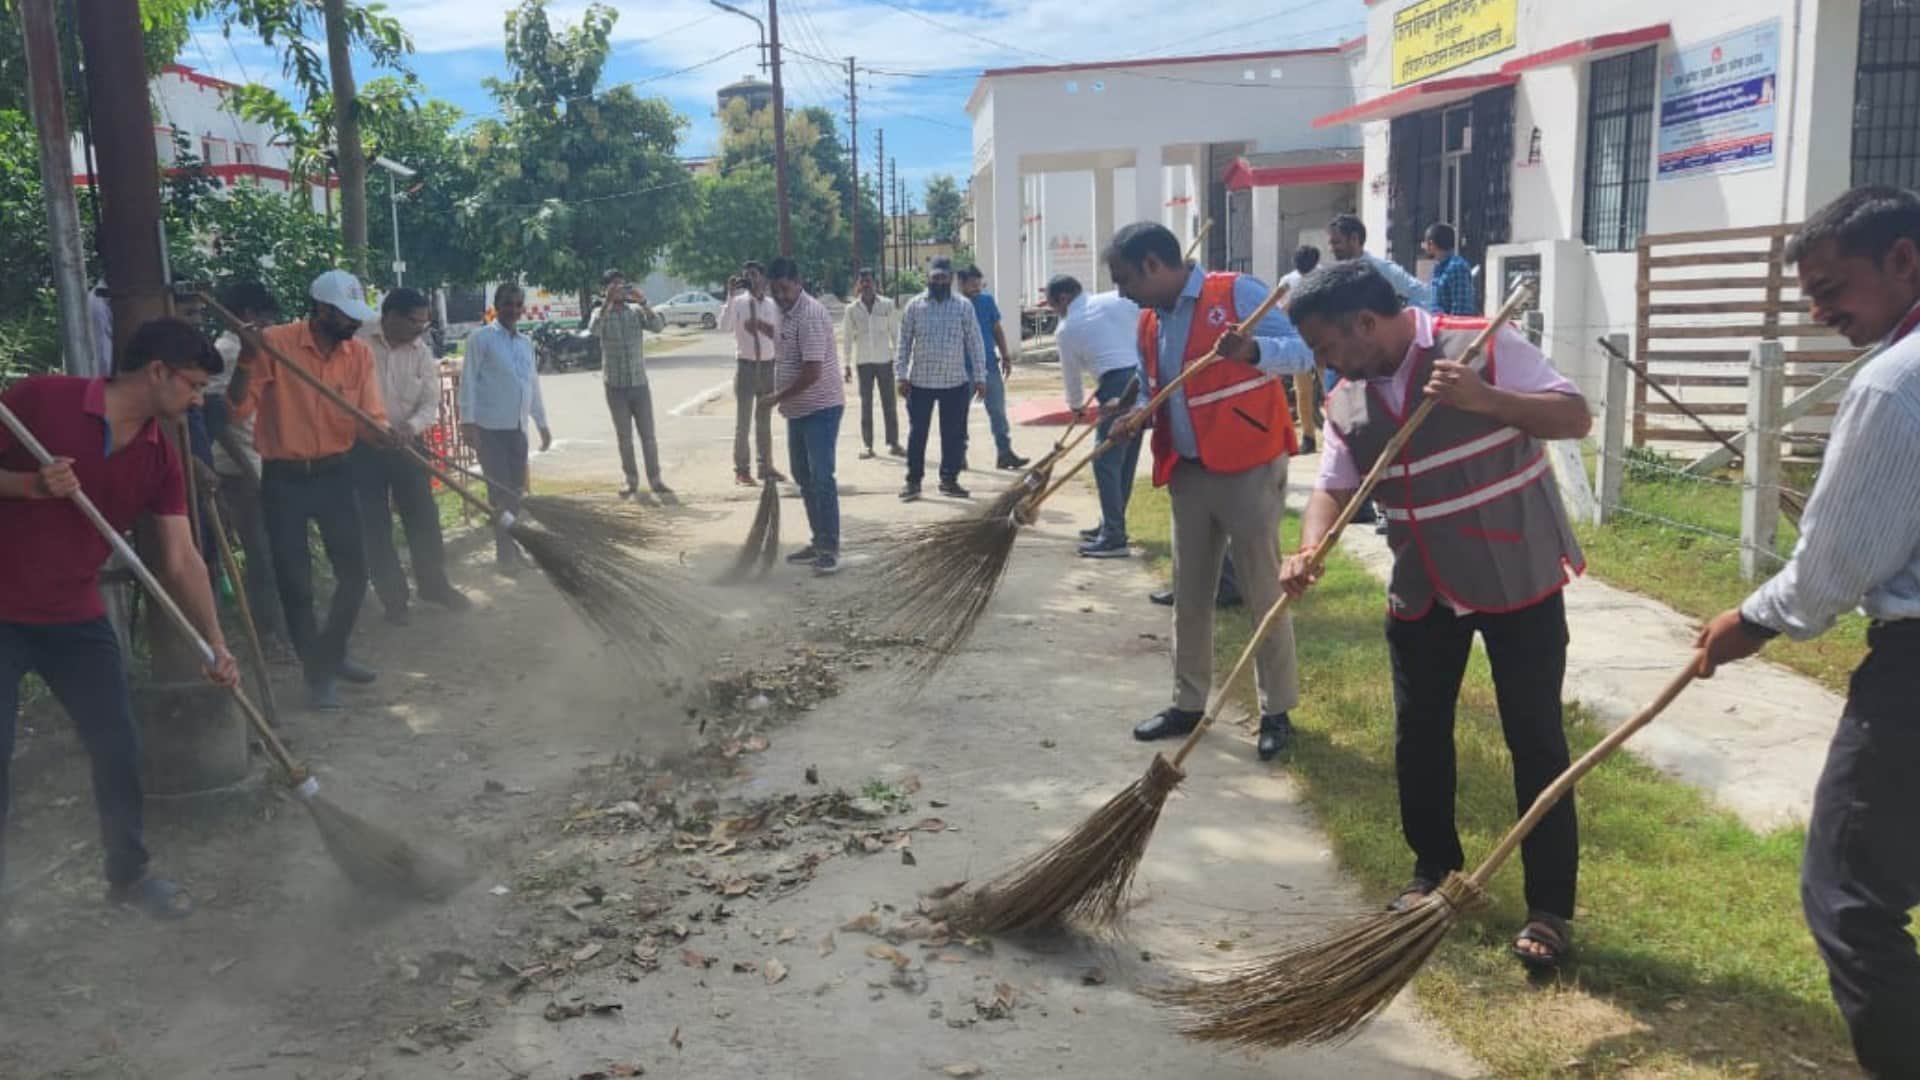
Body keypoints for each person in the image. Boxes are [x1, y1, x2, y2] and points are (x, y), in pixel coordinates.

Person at [1280, 259, 1590, 969]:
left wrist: (1487, 400)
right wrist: (1310, 546)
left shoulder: (1479, 344)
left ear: (1364, 322)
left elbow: (1575, 416)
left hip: (1516, 573)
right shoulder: (1349, 396)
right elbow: (1334, 482)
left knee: (1535, 738)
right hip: (1424, 583)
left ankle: (1549, 910)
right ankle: (1431, 870)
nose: (1325, 364)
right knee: (1419, 733)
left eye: (1328, 347)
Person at [1694, 186, 1920, 1076]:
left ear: (1903, 260)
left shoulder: (1895, 383)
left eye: (1835, 288)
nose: (1824, 313)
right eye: (1812, 297)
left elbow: (1834, 567)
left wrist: (1749, 622)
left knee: (1851, 896)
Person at [1, 318, 241, 919]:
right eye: (192, 386)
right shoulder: (41, 399)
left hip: (73, 615)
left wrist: (215, 643)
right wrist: (28, 485)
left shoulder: (160, 455)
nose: (195, 400)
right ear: (157, 371)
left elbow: (182, 556)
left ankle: (129, 875)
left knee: (117, 744)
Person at [1107, 222, 1312, 762]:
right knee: (1189, 595)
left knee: (1263, 591)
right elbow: (1155, 390)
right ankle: (1188, 702)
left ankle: (1277, 711)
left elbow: (1305, 353)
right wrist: (1135, 415)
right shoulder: (1149, 323)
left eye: (1126, 278)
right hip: (1190, 473)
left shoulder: (1236, 293)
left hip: (1248, 466)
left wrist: (1251, 350)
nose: (1123, 291)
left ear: (1154, 264)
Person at [227, 270, 388, 711]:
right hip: (285, 478)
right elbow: (236, 407)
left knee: (355, 573)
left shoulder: (359, 356)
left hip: (336, 472)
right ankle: (318, 673)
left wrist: (387, 434)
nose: (354, 324)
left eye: (358, 315)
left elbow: (369, 416)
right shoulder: (274, 344)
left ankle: (329, 655)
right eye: (346, 315)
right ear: (320, 308)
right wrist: (245, 357)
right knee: (294, 582)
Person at [355, 288, 468, 626]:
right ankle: (394, 600)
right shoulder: (358, 341)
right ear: (389, 316)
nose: (419, 329)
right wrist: (373, 428)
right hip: (363, 447)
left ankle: (434, 585)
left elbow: (431, 402)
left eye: (423, 322)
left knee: (423, 516)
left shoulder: (421, 351)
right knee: (374, 526)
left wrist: (411, 427)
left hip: (408, 443)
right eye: (413, 321)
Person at [204, 281, 288, 650]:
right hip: (242, 471)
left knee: (275, 550)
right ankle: (267, 635)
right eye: (267, 317)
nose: (270, 324)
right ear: (250, 315)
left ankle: (280, 628)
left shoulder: (257, 350)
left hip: (264, 463)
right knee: (261, 555)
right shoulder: (226, 352)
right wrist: (248, 469)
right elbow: (215, 420)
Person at [1047, 274, 1143, 558]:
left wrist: (1076, 406)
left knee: (1105, 462)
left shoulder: (1066, 329)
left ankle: (1114, 535)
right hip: (1141, 379)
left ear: (1063, 299)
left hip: (1116, 384)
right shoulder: (1115, 300)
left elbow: (1071, 377)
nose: (1054, 311)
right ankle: (1112, 523)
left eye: (1053, 305)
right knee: (1123, 460)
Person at [459, 283, 551, 577]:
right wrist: (467, 422)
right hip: (489, 429)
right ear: (496, 307)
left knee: (515, 492)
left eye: (517, 304)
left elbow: (532, 385)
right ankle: (506, 554)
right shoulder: (481, 339)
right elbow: (469, 381)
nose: (513, 309)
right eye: (507, 304)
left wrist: (542, 423)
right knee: (499, 493)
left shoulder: (525, 343)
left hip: (516, 429)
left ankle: (512, 547)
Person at [765, 257, 846, 576]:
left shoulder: (810, 314)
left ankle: (831, 548)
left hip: (820, 408)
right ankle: (819, 539)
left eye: (785, 289)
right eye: (775, 291)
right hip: (797, 410)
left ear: (798, 282)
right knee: (803, 476)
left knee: (822, 478)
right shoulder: (783, 312)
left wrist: (775, 397)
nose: (781, 296)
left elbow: (812, 372)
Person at [896, 258, 987, 501]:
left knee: (953, 435)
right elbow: (903, 343)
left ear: (950, 278)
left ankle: (949, 480)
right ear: (929, 278)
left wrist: (980, 376)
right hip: (920, 383)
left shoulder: (963, 306)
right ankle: (913, 482)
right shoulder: (914, 306)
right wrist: (901, 375)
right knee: (918, 434)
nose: (939, 281)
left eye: (944, 277)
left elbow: (975, 343)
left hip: (955, 382)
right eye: (935, 277)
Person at [589, 268, 670, 499]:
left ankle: (655, 479)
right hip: (615, 385)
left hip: (639, 383)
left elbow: (658, 327)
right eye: (614, 286)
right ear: (605, 289)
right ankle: (630, 479)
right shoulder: (600, 312)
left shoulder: (634, 312)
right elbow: (593, 330)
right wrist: (606, 303)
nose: (619, 290)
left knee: (648, 435)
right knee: (624, 437)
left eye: (622, 286)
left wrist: (643, 301)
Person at [957, 265, 1029, 471]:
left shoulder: (987, 301)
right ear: (961, 284)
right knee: (959, 414)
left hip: (989, 364)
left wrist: (1005, 356)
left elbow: (997, 329)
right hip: (962, 369)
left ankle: (1004, 453)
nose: (977, 288)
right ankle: (959, 455)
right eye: (972, 284)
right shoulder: (955, 305)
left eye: (979, 284)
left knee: (997, 410)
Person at [720, 262, 784, 486]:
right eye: (746, 276)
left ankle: (765, 467)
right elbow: (724, 327)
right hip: (746, 367)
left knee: (764, 422)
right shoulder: (737, 303)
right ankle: (741, 470)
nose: (750, 279)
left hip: (767, 367)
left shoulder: (771, 305)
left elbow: (779, 334)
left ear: (763, 279)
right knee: (743, 423)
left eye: (754, 275)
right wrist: (729, 296)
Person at [842, 268, 903, 458]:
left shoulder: (887, 305)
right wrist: (847, 365)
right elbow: (847, 338)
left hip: (885, 360)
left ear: (875, 284)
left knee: (889, 403)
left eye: (869, 281)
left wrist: (900, 361)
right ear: (858, 285)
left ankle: (893, 443)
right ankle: (868, 445)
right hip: (863, 362)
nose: (866, 285)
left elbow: (896, 334)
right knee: (866, 404)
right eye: (863, 282)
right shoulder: (852, 309)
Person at [1328, 214, 1433, 312]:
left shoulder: (1380, 269)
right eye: (1331, 243)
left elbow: (1422, 294)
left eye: (1336, 242)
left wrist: (1405, 321)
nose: (1331, 249)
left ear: (1354, 239)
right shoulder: (1338, 275)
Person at [1280, 244, 1325, 454]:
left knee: (1330, 389)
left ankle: (1336, 432)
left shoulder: (1324, 277)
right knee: (1302, 393)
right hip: (1298, 341)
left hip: (1324, 341)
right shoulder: (1288, 281)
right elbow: (1280, 309)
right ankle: (1308, 436)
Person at [1424, 223, 1477, 316]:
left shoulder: (1457, 267)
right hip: (1437, 326)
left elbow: (1461, 310)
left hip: (1451, 329)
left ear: (1431, 244)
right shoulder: (1438, 268)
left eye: (1425, 242)